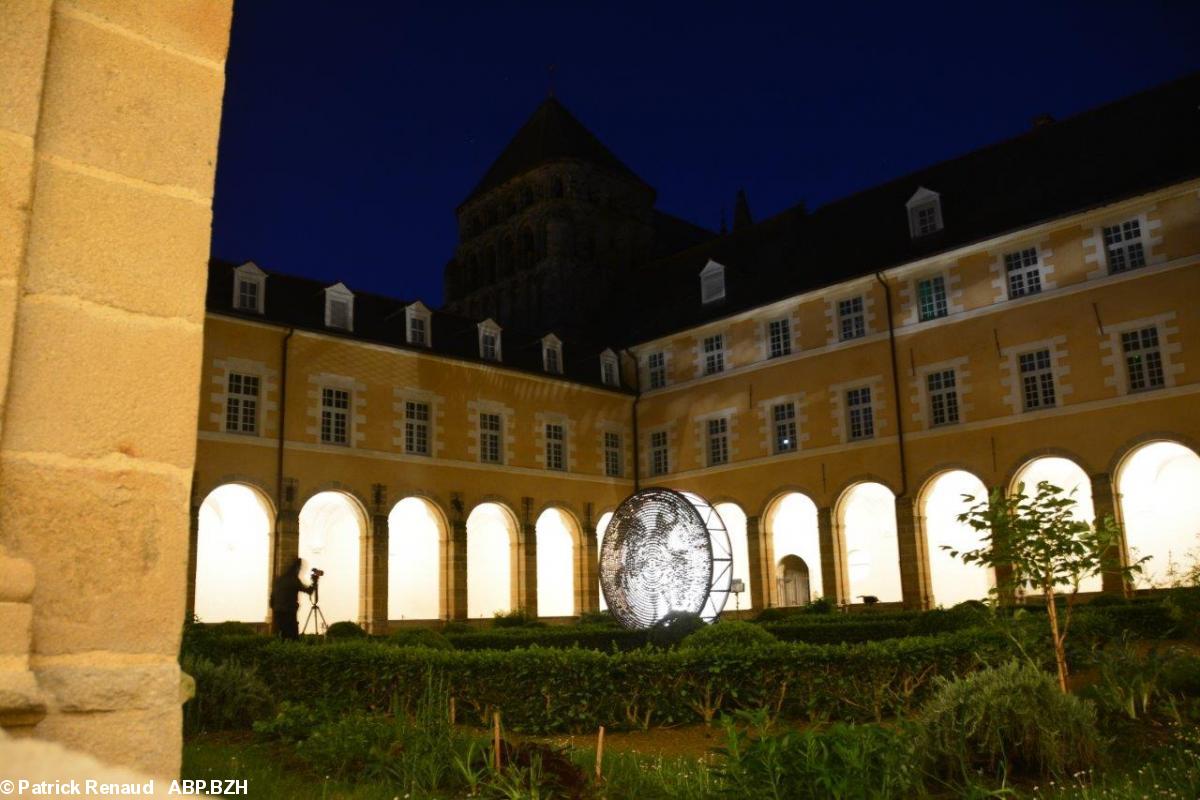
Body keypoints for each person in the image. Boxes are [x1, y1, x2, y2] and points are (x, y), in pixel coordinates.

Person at [269, 557, 313, 639]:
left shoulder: (279, 579)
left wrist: (275, 607)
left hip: (277, 611)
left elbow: (271, 599)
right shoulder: (294, 580)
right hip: (288, 612)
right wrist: (315, 581)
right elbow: (308, 591)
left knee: (278, 636)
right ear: (297, 568)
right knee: (292, 636)